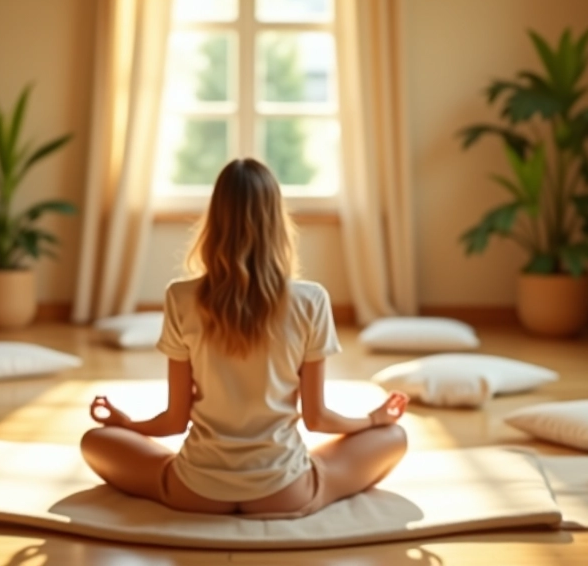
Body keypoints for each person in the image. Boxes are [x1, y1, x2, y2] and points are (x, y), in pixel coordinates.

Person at [81, 158, 409, 518]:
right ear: (276, 223)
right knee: (394, 438)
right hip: (286, 491)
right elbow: (317, 419)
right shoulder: (311, 300)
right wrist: (374, 420)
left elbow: (174, 421)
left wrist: (124, 424)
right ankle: (308, 483)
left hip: (194, 489)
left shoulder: (180, 297)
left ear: (215, 221)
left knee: (96, 440)